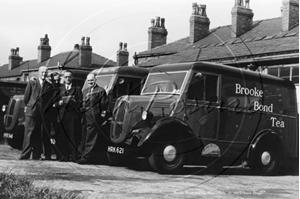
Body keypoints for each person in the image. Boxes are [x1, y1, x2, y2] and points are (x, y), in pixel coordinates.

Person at [20, 66, 54, 160]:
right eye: (42, 72)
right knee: (29, 134)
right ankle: (25, 155)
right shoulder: (32, 82)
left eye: (45, 72)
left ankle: (36, 155)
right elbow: (26, 97)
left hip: (42, 113)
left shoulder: (49, 85)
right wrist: (30, 106)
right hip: (32, 111)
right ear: (38, 73)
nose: (44, 74)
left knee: (38, 134)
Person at [77, 73, 107, 165]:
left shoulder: (100, 91)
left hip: (94, 117)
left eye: (92, 80)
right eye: (89, 80)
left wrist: (101, 116)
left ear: (95, 80)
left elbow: (103, 105)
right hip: (84, 117)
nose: (90, 82)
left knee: (91, 137)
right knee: (84, 136)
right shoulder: (85, 91)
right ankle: (81, 155)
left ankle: (86, 157)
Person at [56, 71, 83, 162]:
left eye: (69, 77)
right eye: (66, 77)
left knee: (73, 137)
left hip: (72, 116)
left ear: (72, 78)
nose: (68, 78)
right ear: (64, 78)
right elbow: (54, 102)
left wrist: (74, 102)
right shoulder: (60, 89)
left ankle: (74, 157)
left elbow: (80, 103)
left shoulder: (77, 89)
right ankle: (64, 156)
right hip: (62, 115)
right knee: (62, 136)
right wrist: (58, 103)